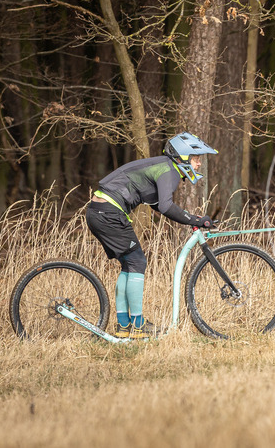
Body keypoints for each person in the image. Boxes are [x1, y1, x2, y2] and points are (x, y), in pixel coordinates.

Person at [85, 132, 218, 339]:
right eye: (196, 159)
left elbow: (156, 203)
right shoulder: (169, 170)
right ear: (182, 157)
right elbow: (165, 206)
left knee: (130, 264)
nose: (199, 164)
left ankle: (123, 326)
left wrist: (193, 218)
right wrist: (195, 221)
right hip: (109, 213)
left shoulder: (163, 166)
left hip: (99, 211)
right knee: (137, 261)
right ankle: (138, 325)